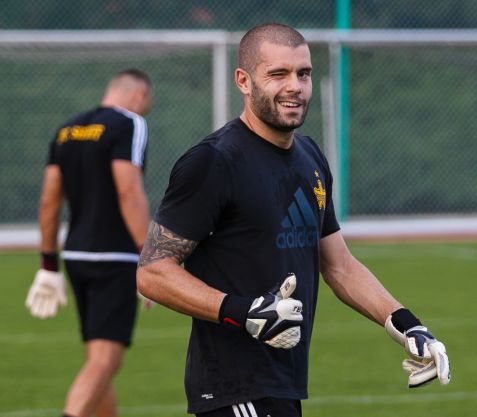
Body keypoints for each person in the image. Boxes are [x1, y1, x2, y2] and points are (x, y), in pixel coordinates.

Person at [137, 23, 450, 417]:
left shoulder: (310, 156)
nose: (295, 87)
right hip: (233, 391)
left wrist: (406, 324)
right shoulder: (215, 161)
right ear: (244, 81)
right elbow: (152, 271)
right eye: (278, 74)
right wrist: (244, 311)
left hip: (283, 385)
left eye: (303, 73)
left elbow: (340, 265)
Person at [25, 68, 154, 417]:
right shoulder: (130, 123)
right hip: (116, 257)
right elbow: (128, 190)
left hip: (76, 256)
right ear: (139, 94)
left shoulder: (67, 130)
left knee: (98, 359)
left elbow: (50, 199)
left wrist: (48, 263)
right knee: (106, 361)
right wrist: (150, 257)